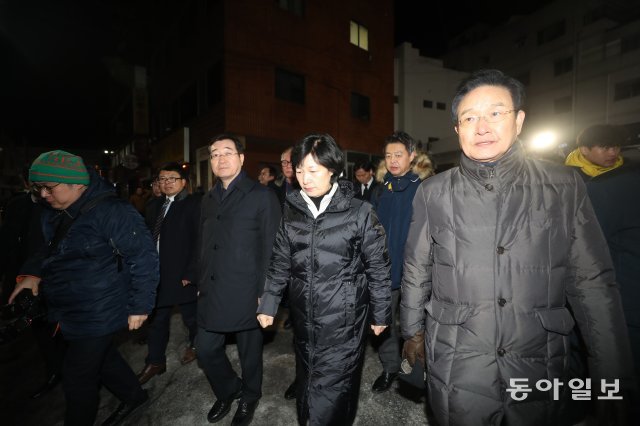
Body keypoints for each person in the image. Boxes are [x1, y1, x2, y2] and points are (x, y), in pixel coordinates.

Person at [400, 69, 634, 425]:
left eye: (496, 113)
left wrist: (612, 373)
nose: (482, 127)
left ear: (519, 120)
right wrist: (411, 330)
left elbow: (593, 283)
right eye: (469, 118)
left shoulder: (563, 186)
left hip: (539, 358)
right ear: (457, 129)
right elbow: (417, 267)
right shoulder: (434, 191)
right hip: (459, 358)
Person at [10, 150, 159, 426]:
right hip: (69, 307)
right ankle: (134, 396)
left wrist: (141, 305)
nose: (43, 194)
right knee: (102, 358)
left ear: (77, 183)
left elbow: (143, 257)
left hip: (100, 308)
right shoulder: (55, 211)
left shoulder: (114, 212)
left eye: (49, 187)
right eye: (39, 188)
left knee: (77, 377)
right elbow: (49, 249)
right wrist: (33, 273)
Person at [257, 133, 391, 425]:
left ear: (332, 170)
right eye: (299, 170)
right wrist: (269, 302)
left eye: (313, 170)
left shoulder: (360, 211)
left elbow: (378, 267)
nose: (305, 178)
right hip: (304, 317)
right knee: (308, 381)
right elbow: (280, 260)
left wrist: (381, 312)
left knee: (333, 392)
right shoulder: (292, 210)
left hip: (345, 320)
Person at [195, 134, 281, 425]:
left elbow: (272, 248)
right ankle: (229, 389)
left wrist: (266, 293)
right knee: (205, 348)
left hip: (248, 289)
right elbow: (204, 244)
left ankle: (250, 395)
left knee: (250, 353)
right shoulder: (208, 199)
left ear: (242, 158)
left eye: (227, 152)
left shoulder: (261, 195)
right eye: (214, 154)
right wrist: (200, 282)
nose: (220, 159)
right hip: (213, 287)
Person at [565, 124, 640, 381]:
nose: (612, 153)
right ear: (584, 149)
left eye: (615, 147)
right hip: (602, 291)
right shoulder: (565, 178)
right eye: (604, 147)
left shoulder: (624, 179)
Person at [137, 162, 201, 384]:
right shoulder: (154, 205)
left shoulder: (194, 204)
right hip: (158, 273)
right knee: (157, 319)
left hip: (183, 274)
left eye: (172, 178)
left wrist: (192, 272)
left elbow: (200, 241)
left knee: (191, 316)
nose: (166, 183)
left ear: (183, 182)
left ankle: (196, 345)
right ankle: (155, 361)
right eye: (162, 179)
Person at [370, 131, 424, 394]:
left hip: (415, 271)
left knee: (415, 323)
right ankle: (390, 366)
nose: (393, 160)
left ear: (411, 156)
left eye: (398, 155)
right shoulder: (380, 190)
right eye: (388, 155)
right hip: (384, 270)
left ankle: (417, 368)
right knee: (384, 321)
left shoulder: (423, 189)